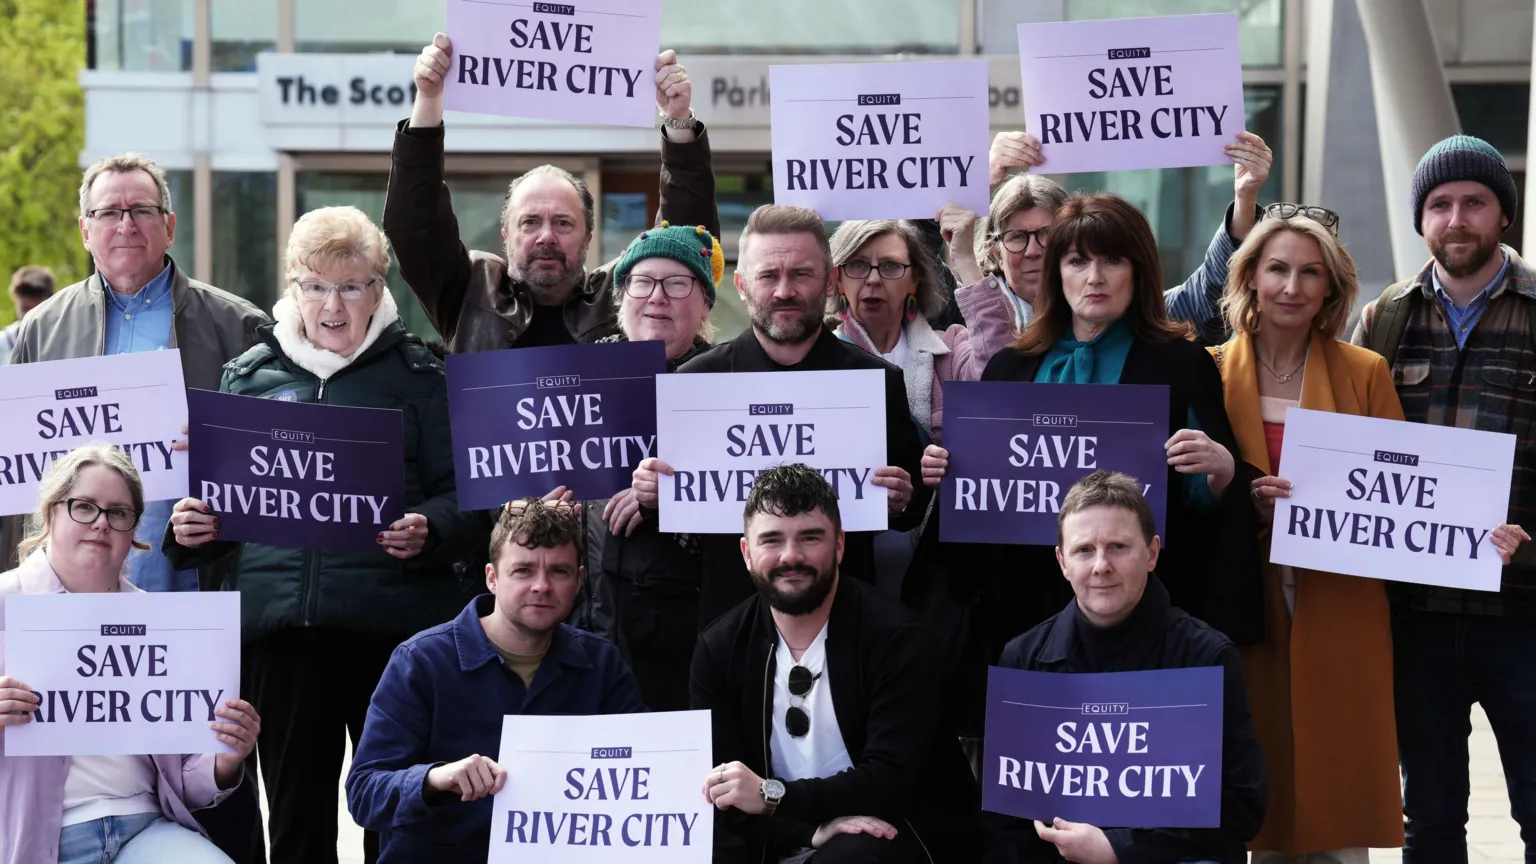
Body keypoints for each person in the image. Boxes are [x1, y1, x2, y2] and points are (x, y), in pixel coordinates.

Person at [163, 206, 474, 864]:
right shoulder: (246, 378)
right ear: (292, 287)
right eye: (315, 285)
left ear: (379, 287)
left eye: (352, 285)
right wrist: (193, 528)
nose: (333, 305)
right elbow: (220, 516)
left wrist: (432, 527)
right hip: (283, 640)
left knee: (396, 816)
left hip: (392, 636)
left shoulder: (423, 377)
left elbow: (468, 500)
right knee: (298, 823)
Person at [919, 194, 1262, 757]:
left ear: (1140, 271)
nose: (1094, 277)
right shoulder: (1013, 366)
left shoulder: (1180, 364)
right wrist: (948, 473)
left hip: (1141, 629)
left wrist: (1224, 472)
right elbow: (978, 520)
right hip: (1027, 622)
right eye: (1077, 261)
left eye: (1112, 261)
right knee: (1033, 807)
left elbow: (1203, 506)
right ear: (1057, 273)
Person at [4, 152, 268, 863]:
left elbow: (272, 471)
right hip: (64, 602)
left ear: (169, 225)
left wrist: (224, 479)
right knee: (65, 765)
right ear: (84, 230)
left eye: (141, 210)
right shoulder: (33, 337)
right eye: (109, 212)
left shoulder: (237, 328)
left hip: (194, 589)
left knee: (207, 767)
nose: (125, 225)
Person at [1351, 134, 1536, 863]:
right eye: (1440, 204)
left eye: (1474, 202)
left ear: (1502, 214)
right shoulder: (1383, 319)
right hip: (1415, 617)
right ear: (1421, 219)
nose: (1457, 219)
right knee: (1427, 820)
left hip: (1523, 613)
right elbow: (1349, 445)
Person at [630, 205, 930, 627]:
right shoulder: (696, 383)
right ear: (742, 285)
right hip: (732, 629)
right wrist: (654, 497)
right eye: (768, 275)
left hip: (845, 626)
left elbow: (909, 508)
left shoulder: (876, 382)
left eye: (801, 274)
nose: (783, 290)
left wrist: (902, 499)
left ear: (828, 282)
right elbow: (686, 524)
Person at [692, 465, 977, 863]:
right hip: (776, 837)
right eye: (771, 540)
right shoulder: (718, 648)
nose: (791, 556)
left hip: (887, 834)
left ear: (840, 545)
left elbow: (889, 781)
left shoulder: (898, 639)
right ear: (747, 553)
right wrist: (810, 829)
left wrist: (771, 796)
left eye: (810, 537)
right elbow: (725, 795)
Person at [985, 470, 1267, 864]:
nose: (1101, 565)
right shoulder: (1024, 658)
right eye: (1084, 550)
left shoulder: (1206, 656)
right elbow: (1007, 821)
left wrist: (1120, 848)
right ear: (1061, 561)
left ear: (1152, 553)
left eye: (1118, 546)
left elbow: (1242, 807)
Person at [0, 443, 262, 864]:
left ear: (134, 531)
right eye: (84, 506)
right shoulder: (4, 603)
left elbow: (186, 781)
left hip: (146, 830)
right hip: (39, 842)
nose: (101, 524)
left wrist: (225, 758)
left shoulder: (161, 621)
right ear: (51, 512)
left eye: (118, 513)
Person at [345, 498, 645, 863]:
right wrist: (436, 778)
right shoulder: (421, 661)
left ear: (580, 580)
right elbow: (364, 793)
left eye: (559, 572)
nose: (541, 586)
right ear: (492, 577)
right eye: (523, 571)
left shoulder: (602, 664)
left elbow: (643, 769)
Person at [387, 33, 719, 353]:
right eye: (530, 223)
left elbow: (687, 244)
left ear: (589, 238)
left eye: (563, 223)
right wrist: (429, 101)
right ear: (506, 235)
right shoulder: (469, 289)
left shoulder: (623, 295)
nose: (546, 236)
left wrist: (677, 121)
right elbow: (416, 228)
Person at [975, 131, 1273, 343]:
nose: (1033, 251)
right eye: (1016, 237)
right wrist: (975, 182)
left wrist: (1244, 199)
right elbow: (928, 267)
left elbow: (1209, 294)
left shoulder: (1134, 316)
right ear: (993, 251)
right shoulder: (968, 319)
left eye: (1047, 234)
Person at [828, 215, 1015, 444]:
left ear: (914, 280)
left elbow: (1003, 377)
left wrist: (965, 258)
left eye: (890, 265)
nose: (873, 279)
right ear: (838, 280)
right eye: (858, 265)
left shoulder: (950, 353)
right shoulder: (820, 360)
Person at [0, 265, 57, 363]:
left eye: (35, 294)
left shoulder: (60, 338)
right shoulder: (3, 341)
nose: (28, 300)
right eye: (23, 293)